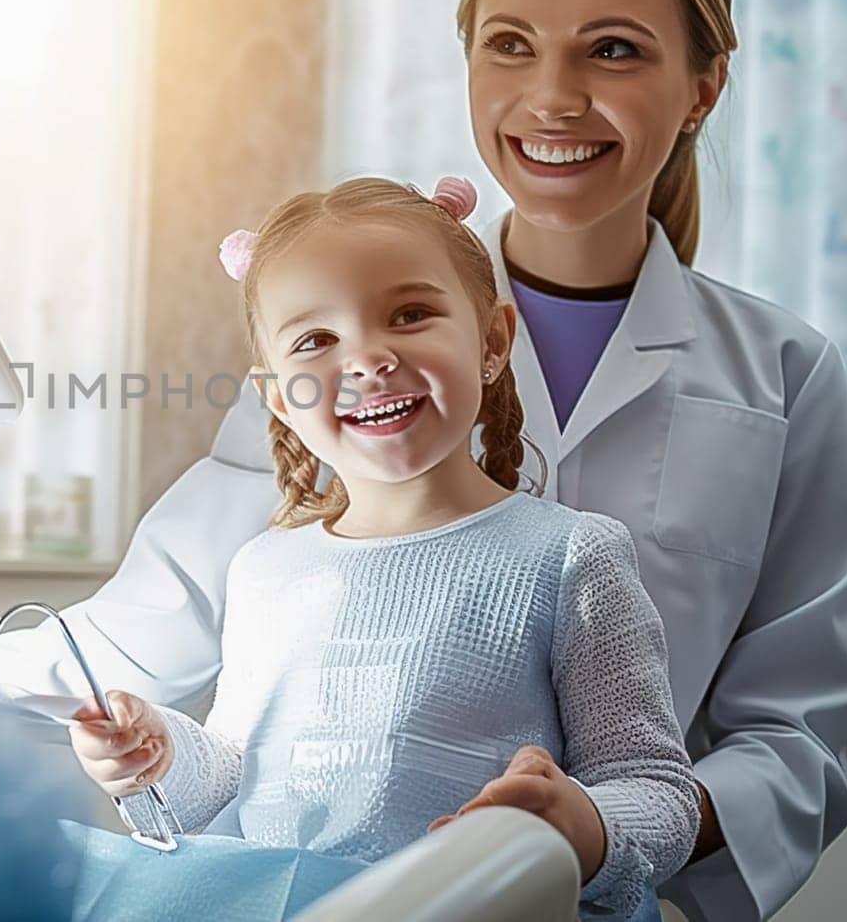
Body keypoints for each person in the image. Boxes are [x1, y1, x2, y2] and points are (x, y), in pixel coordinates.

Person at [0, 0, 847, 918]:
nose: (551, 96)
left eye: (615, 50)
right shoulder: (327, 358)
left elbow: (793, 742)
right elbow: (159, 645)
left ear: (702, 85)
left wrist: (589, 832)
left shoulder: (783, 378)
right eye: (509, 45)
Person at [68, 176, 695, 921]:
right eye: (317, 340)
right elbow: (242, 769)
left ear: (493, 340)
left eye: (410, 314)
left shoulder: (567, 556)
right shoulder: (265, 567)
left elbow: (656, 787)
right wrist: (159, 751)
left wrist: (582, 828)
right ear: (278, 395)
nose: (367, 358)